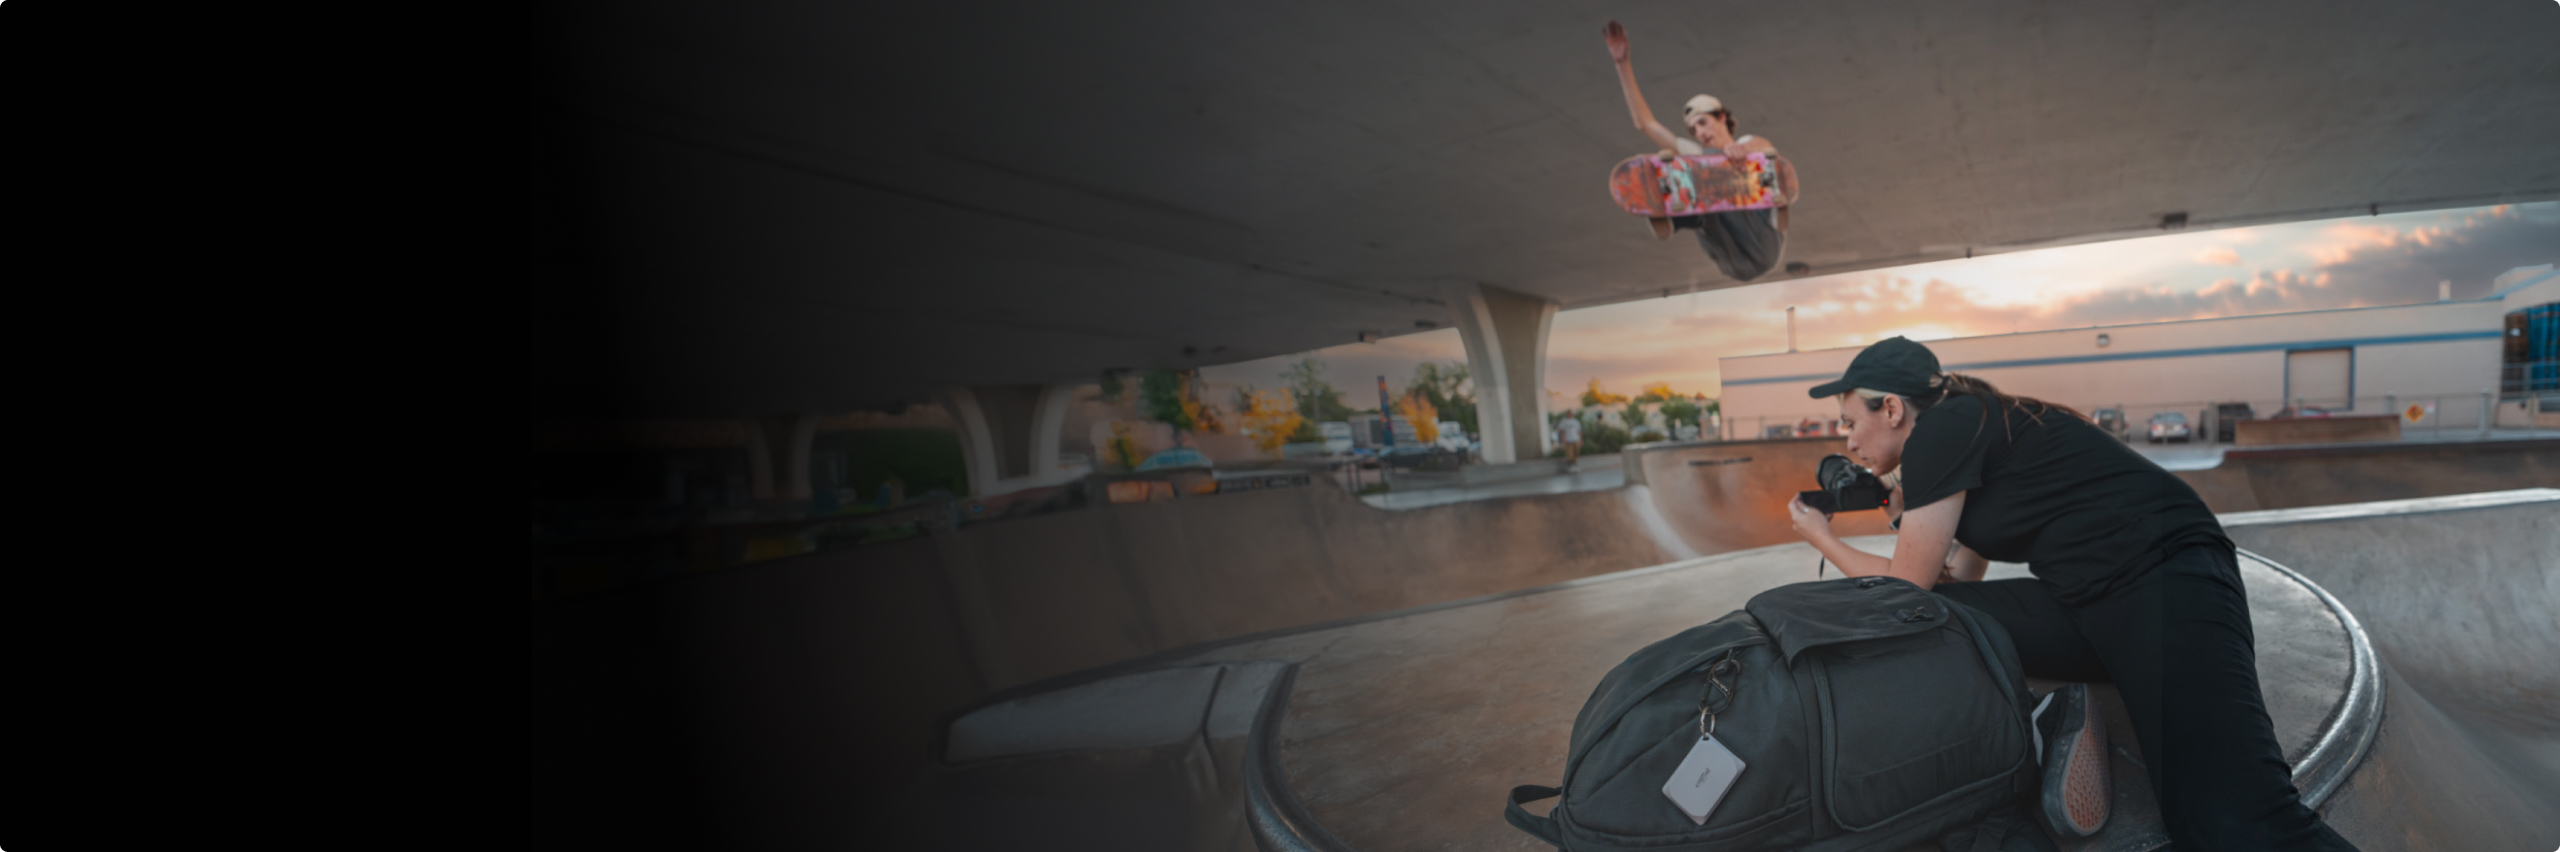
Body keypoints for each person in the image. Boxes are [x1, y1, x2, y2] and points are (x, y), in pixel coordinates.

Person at [1783, 337, 2361, 852]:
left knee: (2235, 823)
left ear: (1891, 409)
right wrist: (1910, 517)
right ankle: (2048, 719)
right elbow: (1955, 582)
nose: (1847, 440)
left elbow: (1905, 584)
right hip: (2087, 601)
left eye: (1849, 421)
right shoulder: (1964, 431)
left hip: (2165, 580)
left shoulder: (1943, 427)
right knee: (1930, 619)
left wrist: (1820, 535)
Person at [1601, 20, 1799, 282]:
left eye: (1703, 123)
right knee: (1692, 170)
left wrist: (1741, 150)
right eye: (1694, 129)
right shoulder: (1695, 155)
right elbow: (1645, 124)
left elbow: (1764, 146)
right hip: (1729, 259)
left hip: (1764, 242)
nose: (1700, 133)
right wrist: (1622, 64)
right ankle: (1662, 214)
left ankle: (1775, 207)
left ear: (1721, 117)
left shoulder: (1748, 141)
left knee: (1741, 168)